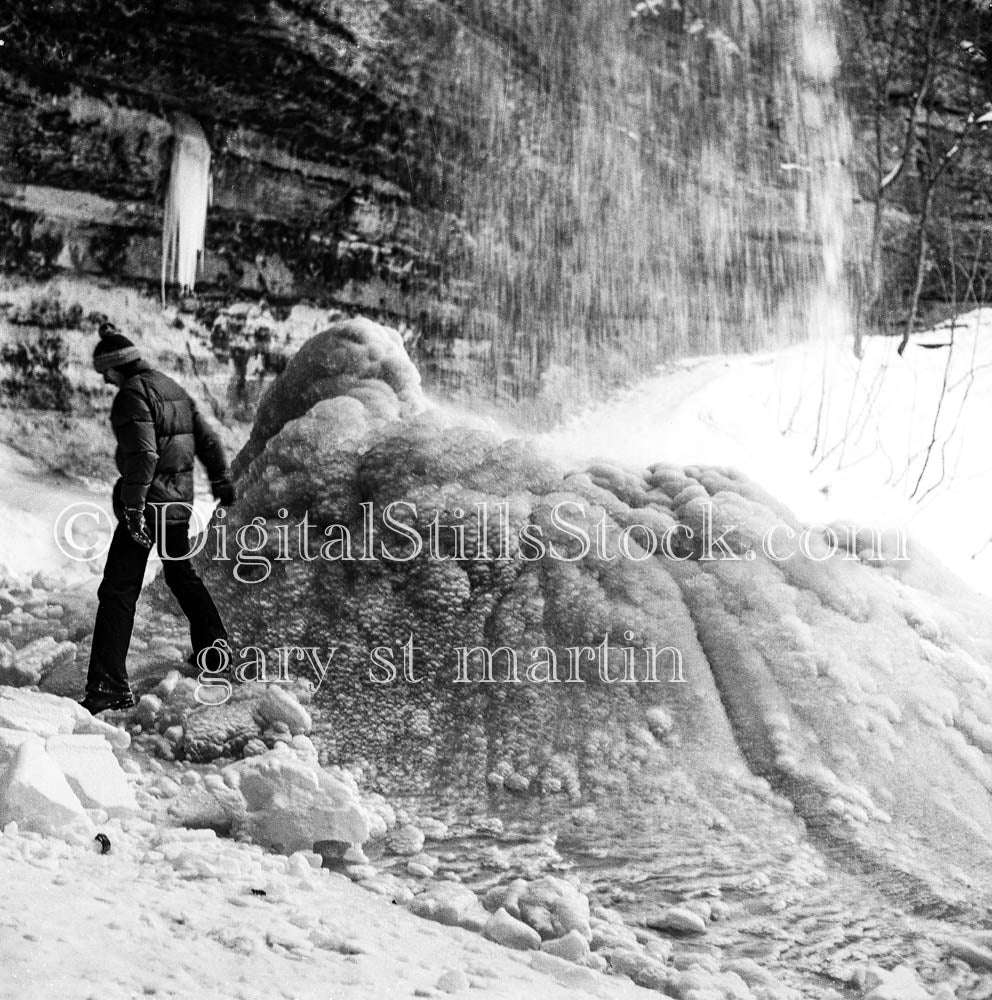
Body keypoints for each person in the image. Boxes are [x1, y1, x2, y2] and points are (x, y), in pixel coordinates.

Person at [82, 322, 235, 714]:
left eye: (105, 375)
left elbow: (144, 455)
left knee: (118, 591)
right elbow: (209, 439)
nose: (106, 382)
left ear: (116, 368)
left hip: (148, 504)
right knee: (182, 574)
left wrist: (133, 507)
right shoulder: (171, 387)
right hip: (178, 502)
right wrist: (220, 479)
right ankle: (215, 652)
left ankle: (108, 687)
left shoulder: (132, 395)